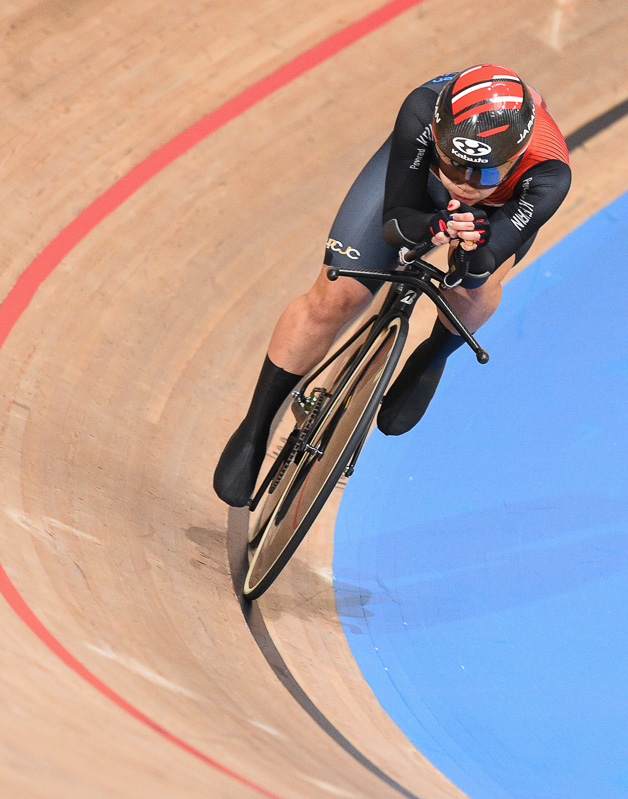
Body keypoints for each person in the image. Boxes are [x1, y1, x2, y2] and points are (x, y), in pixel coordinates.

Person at [214, 64, 571, 507]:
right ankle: (256, 424)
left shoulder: (550, 173)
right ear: (440, 137)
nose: (464, 184)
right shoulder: (422, 111)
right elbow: (396, 223)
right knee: (334, 296)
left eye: (484, 176)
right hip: (418, 188)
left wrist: (474, 244)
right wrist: (434, 222)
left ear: (516, 159)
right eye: (454, 165)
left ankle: (432, 356)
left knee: (476, 287)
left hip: (499, 217)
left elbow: (480, 265)